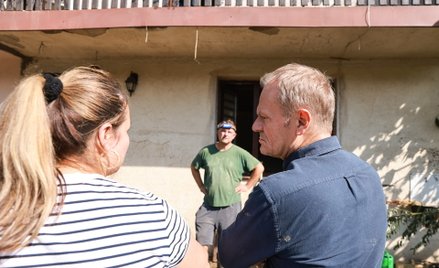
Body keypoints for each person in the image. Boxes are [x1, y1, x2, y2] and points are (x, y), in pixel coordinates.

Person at [0, 66, 209, 268]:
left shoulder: (7, 211)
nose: (128, 140)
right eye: (127, 130)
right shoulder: (152, 215)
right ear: (106, 135)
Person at [218, 63, 387, 267]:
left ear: (301, 121)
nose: (255, 126)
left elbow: (228, 256)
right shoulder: (368, 174)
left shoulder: (278, 192)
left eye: (264, 117)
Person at [191, 119, 264, 262]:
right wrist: (200, 185)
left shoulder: (239, 153)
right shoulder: (206, 152)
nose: (225, 134)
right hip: (208, 207)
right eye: (222, 131)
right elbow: (194, 167)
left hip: (230, 207)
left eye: (229, 131)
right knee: (202, 246)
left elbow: (259, 168)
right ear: (218, 132)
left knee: (228, 248)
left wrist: (247, 186)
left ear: (234, 135)